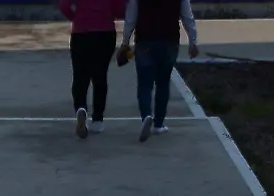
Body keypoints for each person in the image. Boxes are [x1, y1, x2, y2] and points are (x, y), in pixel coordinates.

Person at [118, 0, 200, 142]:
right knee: (163, 83)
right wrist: (193, 41)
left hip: (145, 41)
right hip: (169, 41)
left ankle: (146, 117)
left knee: (144, 84)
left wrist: (125, 41)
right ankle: (158, 124)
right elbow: (187, 16)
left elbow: (131, 16)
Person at [59, 0, 121, 139]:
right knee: (100, 75)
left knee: (80, 75)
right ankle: (97, 120)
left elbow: (64, 5)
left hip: (81, 32)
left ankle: (81, 108)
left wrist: (76, 17)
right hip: (105, 33)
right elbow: (121, 8)